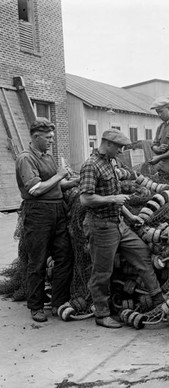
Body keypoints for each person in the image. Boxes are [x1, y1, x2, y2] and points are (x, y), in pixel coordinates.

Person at [79, 129, 164, 328]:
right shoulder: (91, 166)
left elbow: (116, 197)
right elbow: (85, 199)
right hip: (101, 226)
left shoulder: (110, 163)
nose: (120, 151)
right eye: (118, 147)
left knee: (142, 253)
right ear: (107, 144)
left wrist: (129, 216)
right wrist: (112, 199)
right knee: (102, 272)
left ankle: (158, 298)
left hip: (118, 223)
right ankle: (102, 314)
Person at [15, 118, 78, 323]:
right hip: (38, 213)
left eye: (52, 137)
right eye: (48, 137)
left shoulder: (48, 157)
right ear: (35, 137)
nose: (51, 140)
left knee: (64, 257)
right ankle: (36, 306)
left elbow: (56, 186)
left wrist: (74, 181)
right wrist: (60, 175)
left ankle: (59, 302)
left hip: (58, 210)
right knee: (38, 261)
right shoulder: (26, 158)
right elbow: (35, 189)